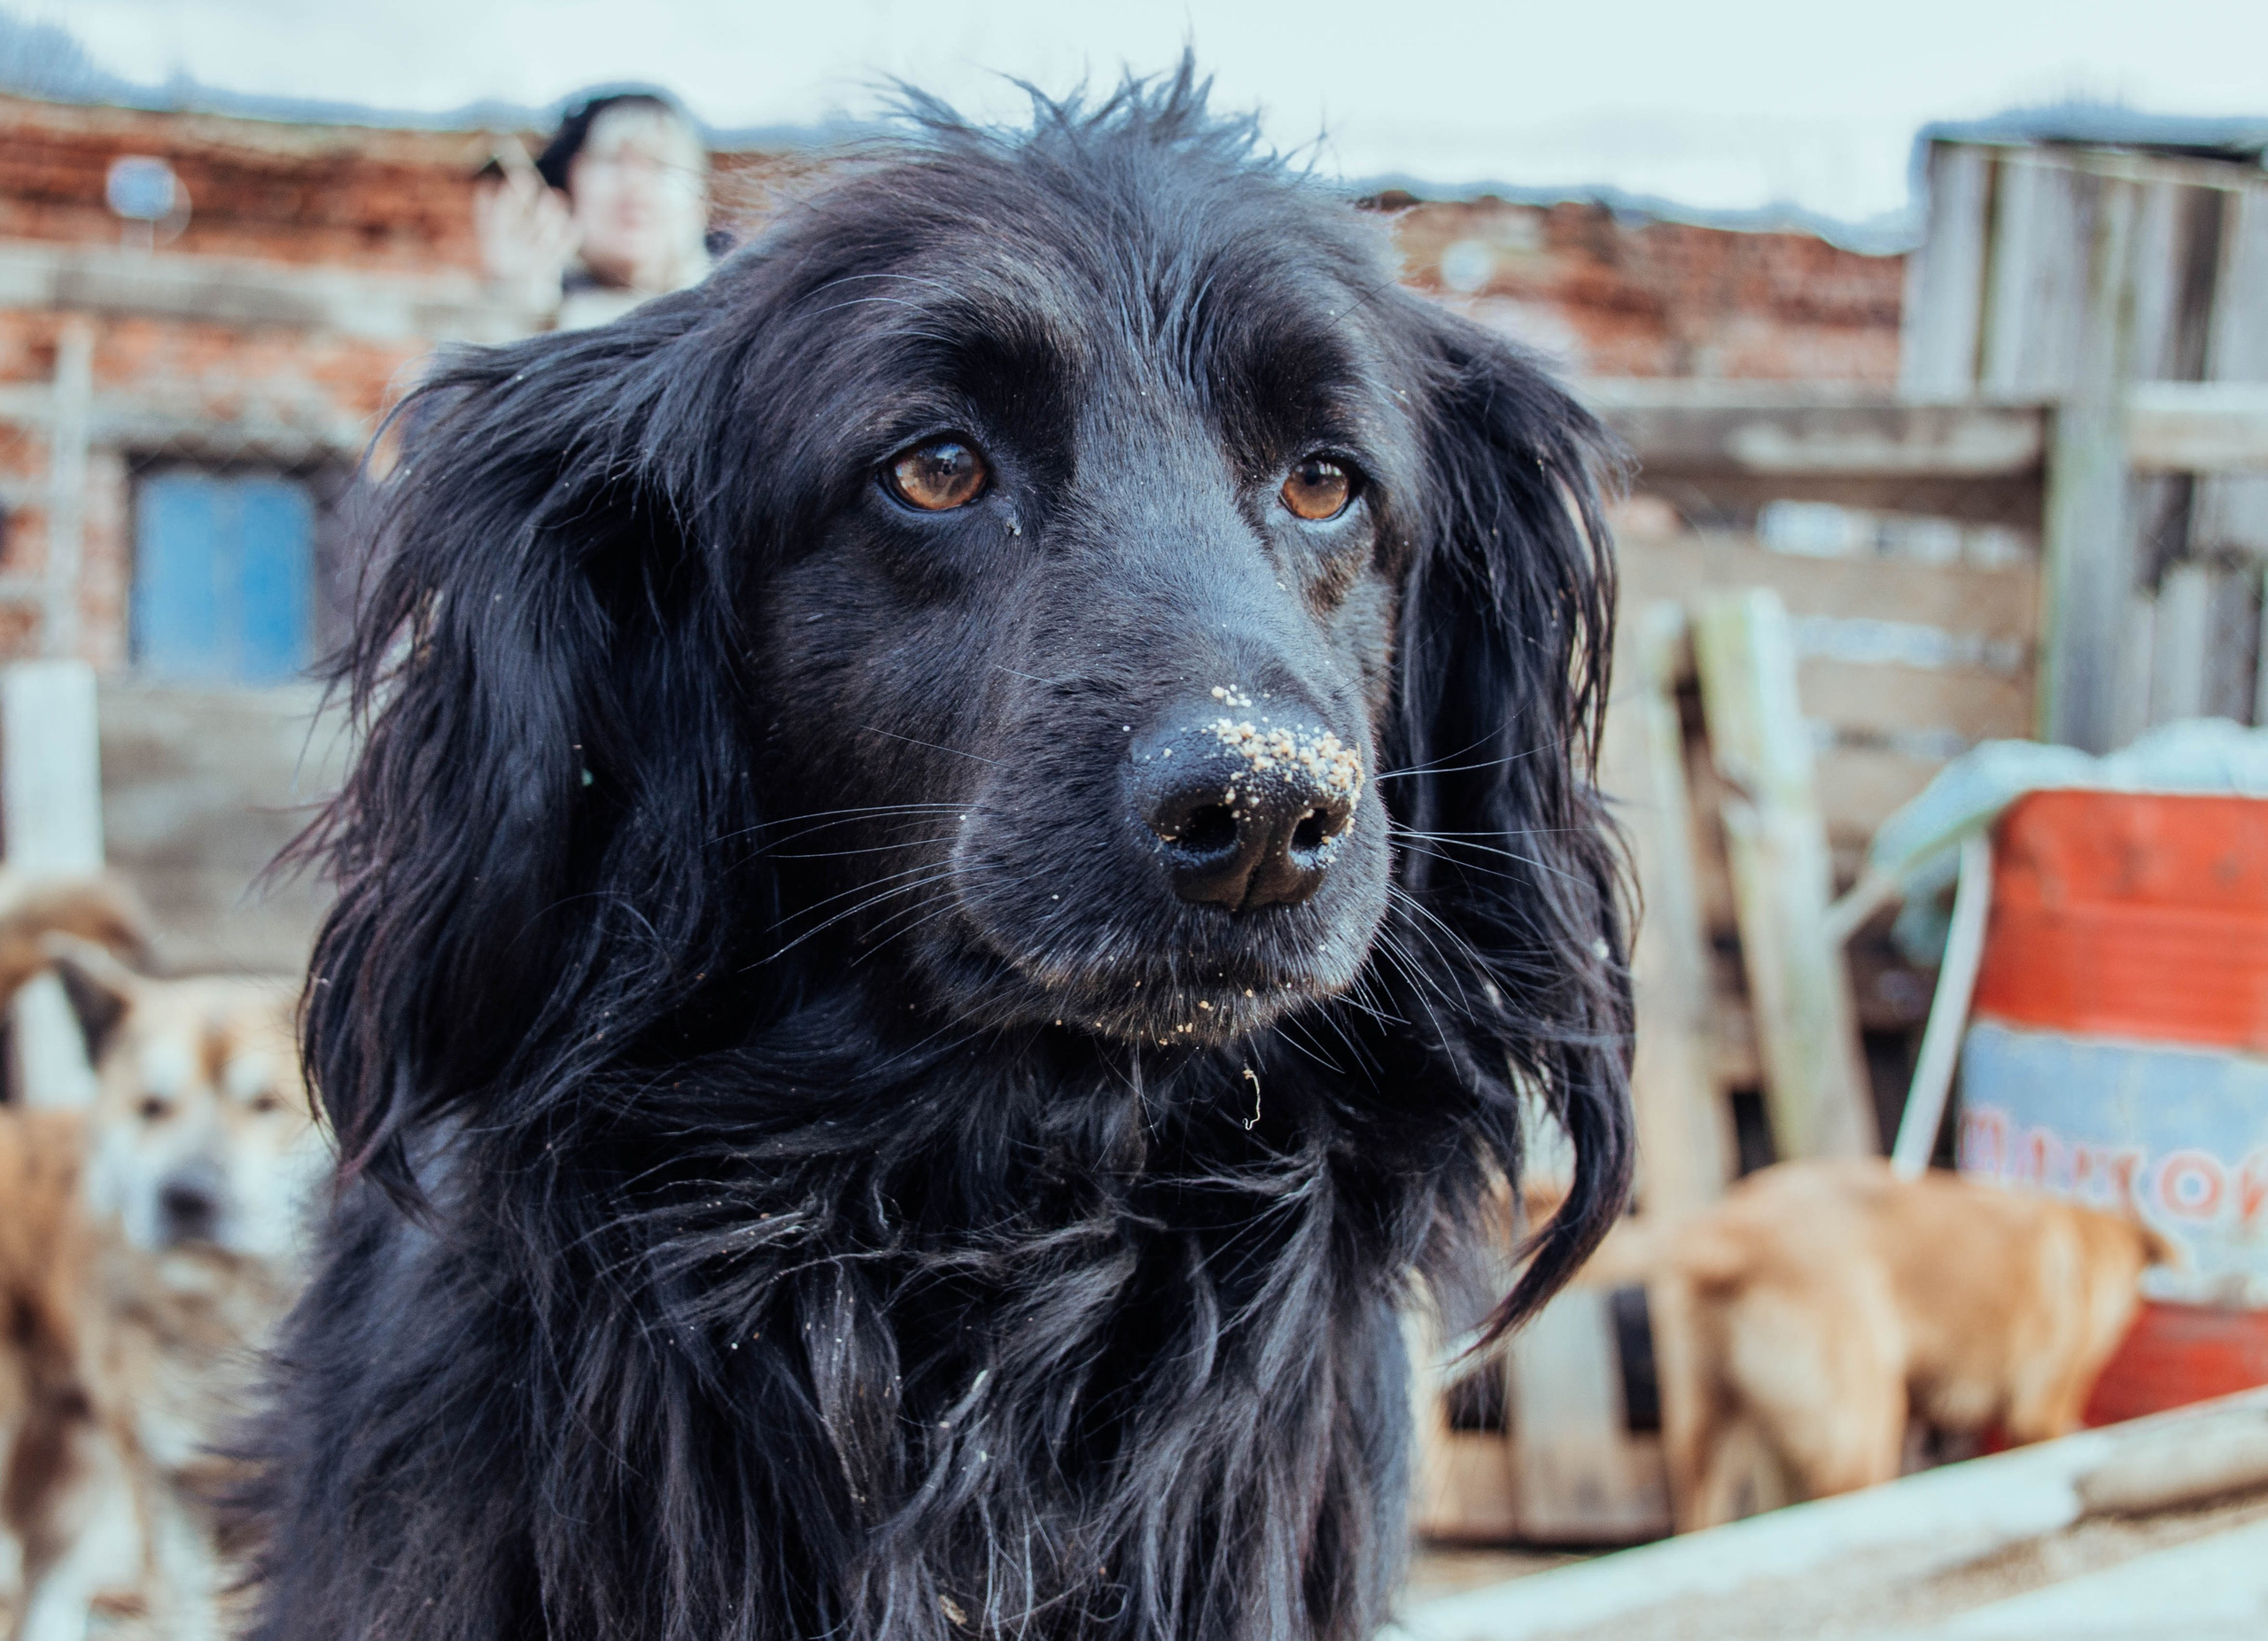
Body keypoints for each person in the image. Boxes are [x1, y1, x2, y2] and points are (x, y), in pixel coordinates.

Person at [476, 89, 713, 331]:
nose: (635, 182)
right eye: (612, 160)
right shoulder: (489, 313)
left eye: (661, 164)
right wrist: (517, 309)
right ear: (565, 190)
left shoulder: (727, 322)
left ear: (700, 203)